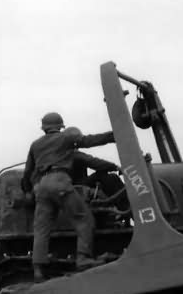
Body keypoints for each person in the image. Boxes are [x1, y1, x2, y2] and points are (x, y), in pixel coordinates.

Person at [23, 112, 115, 281]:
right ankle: (83, 259)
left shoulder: (35, 145)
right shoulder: (65, 139)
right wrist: (113, 135)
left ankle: (38, 271)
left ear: (44, 128)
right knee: (84, 219)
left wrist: (29, 191)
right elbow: (87, 141)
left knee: (41, 230)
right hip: (60, 180)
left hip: (41, 187)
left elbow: (28, 172)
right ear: (60, 126)